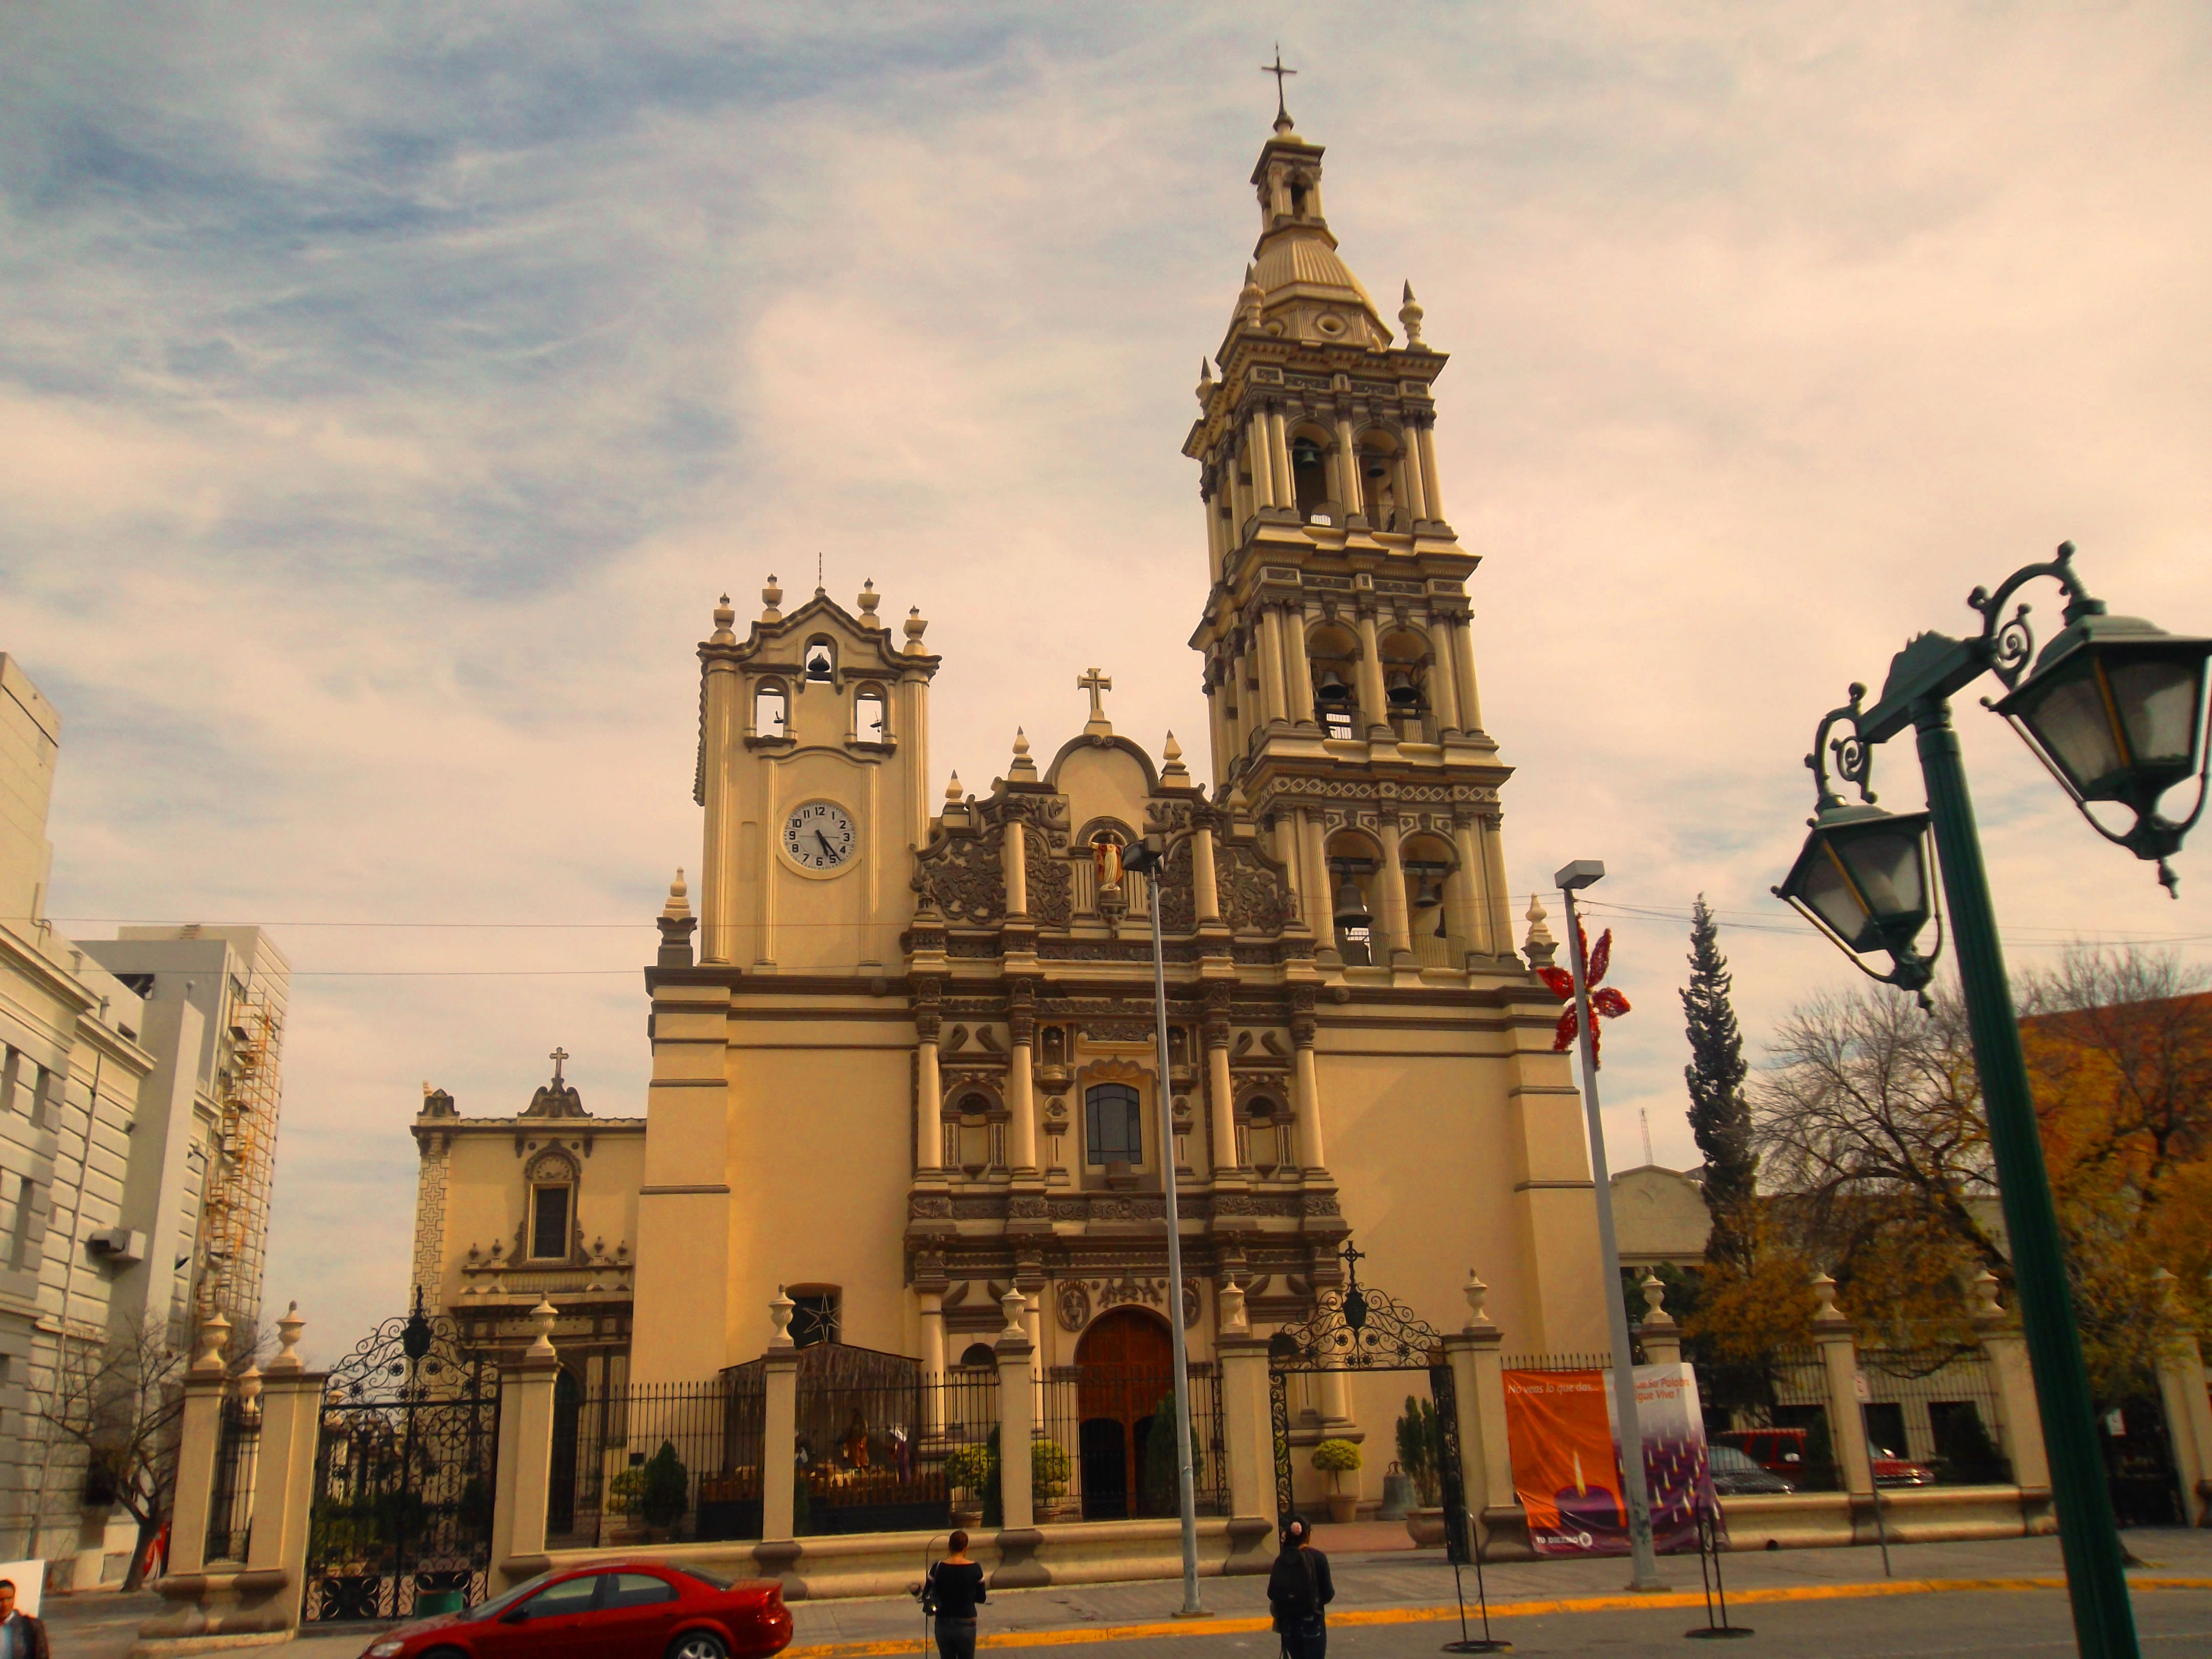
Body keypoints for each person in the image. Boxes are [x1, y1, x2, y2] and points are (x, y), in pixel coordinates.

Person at [1267, 1513, 1334, 1659]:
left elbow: (1272, 1593)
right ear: (1308, 1535)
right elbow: (1328, 1593)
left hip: (1289, 1626)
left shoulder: (1282, 1559)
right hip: (1313, 1623)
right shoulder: (1319, 1558)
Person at [924, 1528, 986, 1659]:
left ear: (949, 1546)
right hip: (966, 1622)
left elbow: (926, 1594)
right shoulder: (975, 1568)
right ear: (966, 1548)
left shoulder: (938, 1567)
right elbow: (982, 1598)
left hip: (943, 1622)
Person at [0, 1579, 50, 1659]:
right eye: (1, 1600)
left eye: (9, 1599)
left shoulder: (31, 1626)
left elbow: (42, 1656)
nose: (5, 1604)